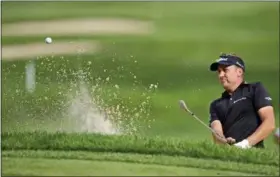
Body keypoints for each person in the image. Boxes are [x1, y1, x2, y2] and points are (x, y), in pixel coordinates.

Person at [208, 53, 276, 149]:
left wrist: (245, 144)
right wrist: (224, 141)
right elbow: (216, 131)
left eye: (225, 70)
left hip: (253, 154)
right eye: (219, 71)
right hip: (228, 155)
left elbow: (269, 123)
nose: (221, 75)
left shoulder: (255, 89)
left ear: (239, 72)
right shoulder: (216, 104)